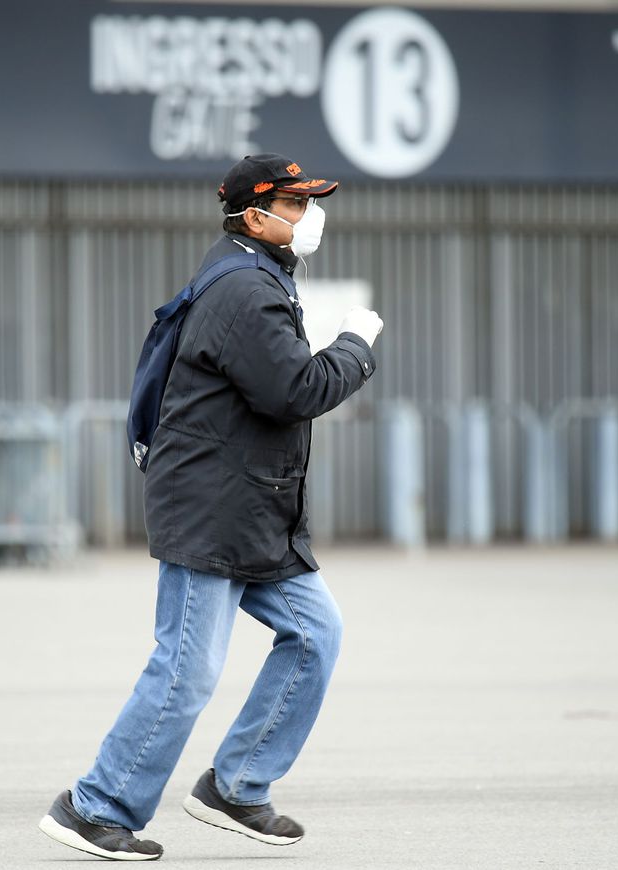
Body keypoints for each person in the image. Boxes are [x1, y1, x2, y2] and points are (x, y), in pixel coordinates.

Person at [38, 154, 384, 861]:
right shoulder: (243, 292)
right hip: (213, 512)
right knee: (187, 669)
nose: (308, 215)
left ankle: (237, 786)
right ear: (254, 215)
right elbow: (296, 390)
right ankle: (94, 806)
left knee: (317, 635)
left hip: (254, 512)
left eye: (306, 201)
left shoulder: (255, 275)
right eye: (293, 203)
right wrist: (357, 345)